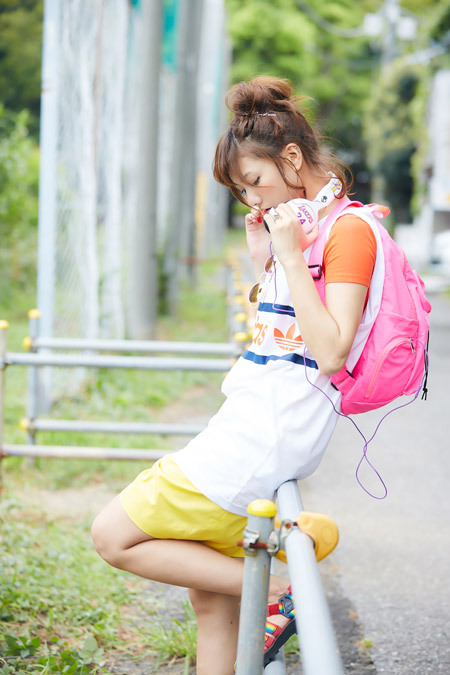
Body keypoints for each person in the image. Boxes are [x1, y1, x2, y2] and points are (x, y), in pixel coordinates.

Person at [91, 75, 378, 674]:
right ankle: (272, 579)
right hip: (250, 427)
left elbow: (330, 353)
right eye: (242, 191)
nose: (254, 201)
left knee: (112, 535)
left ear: (292, 158)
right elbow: (280, 343)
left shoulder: (349, 231)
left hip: (258, 442)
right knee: (211, 603)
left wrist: (290, 257)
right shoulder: (298, 228)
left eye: (255, 182)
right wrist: (265, 264)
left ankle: (281, 589)